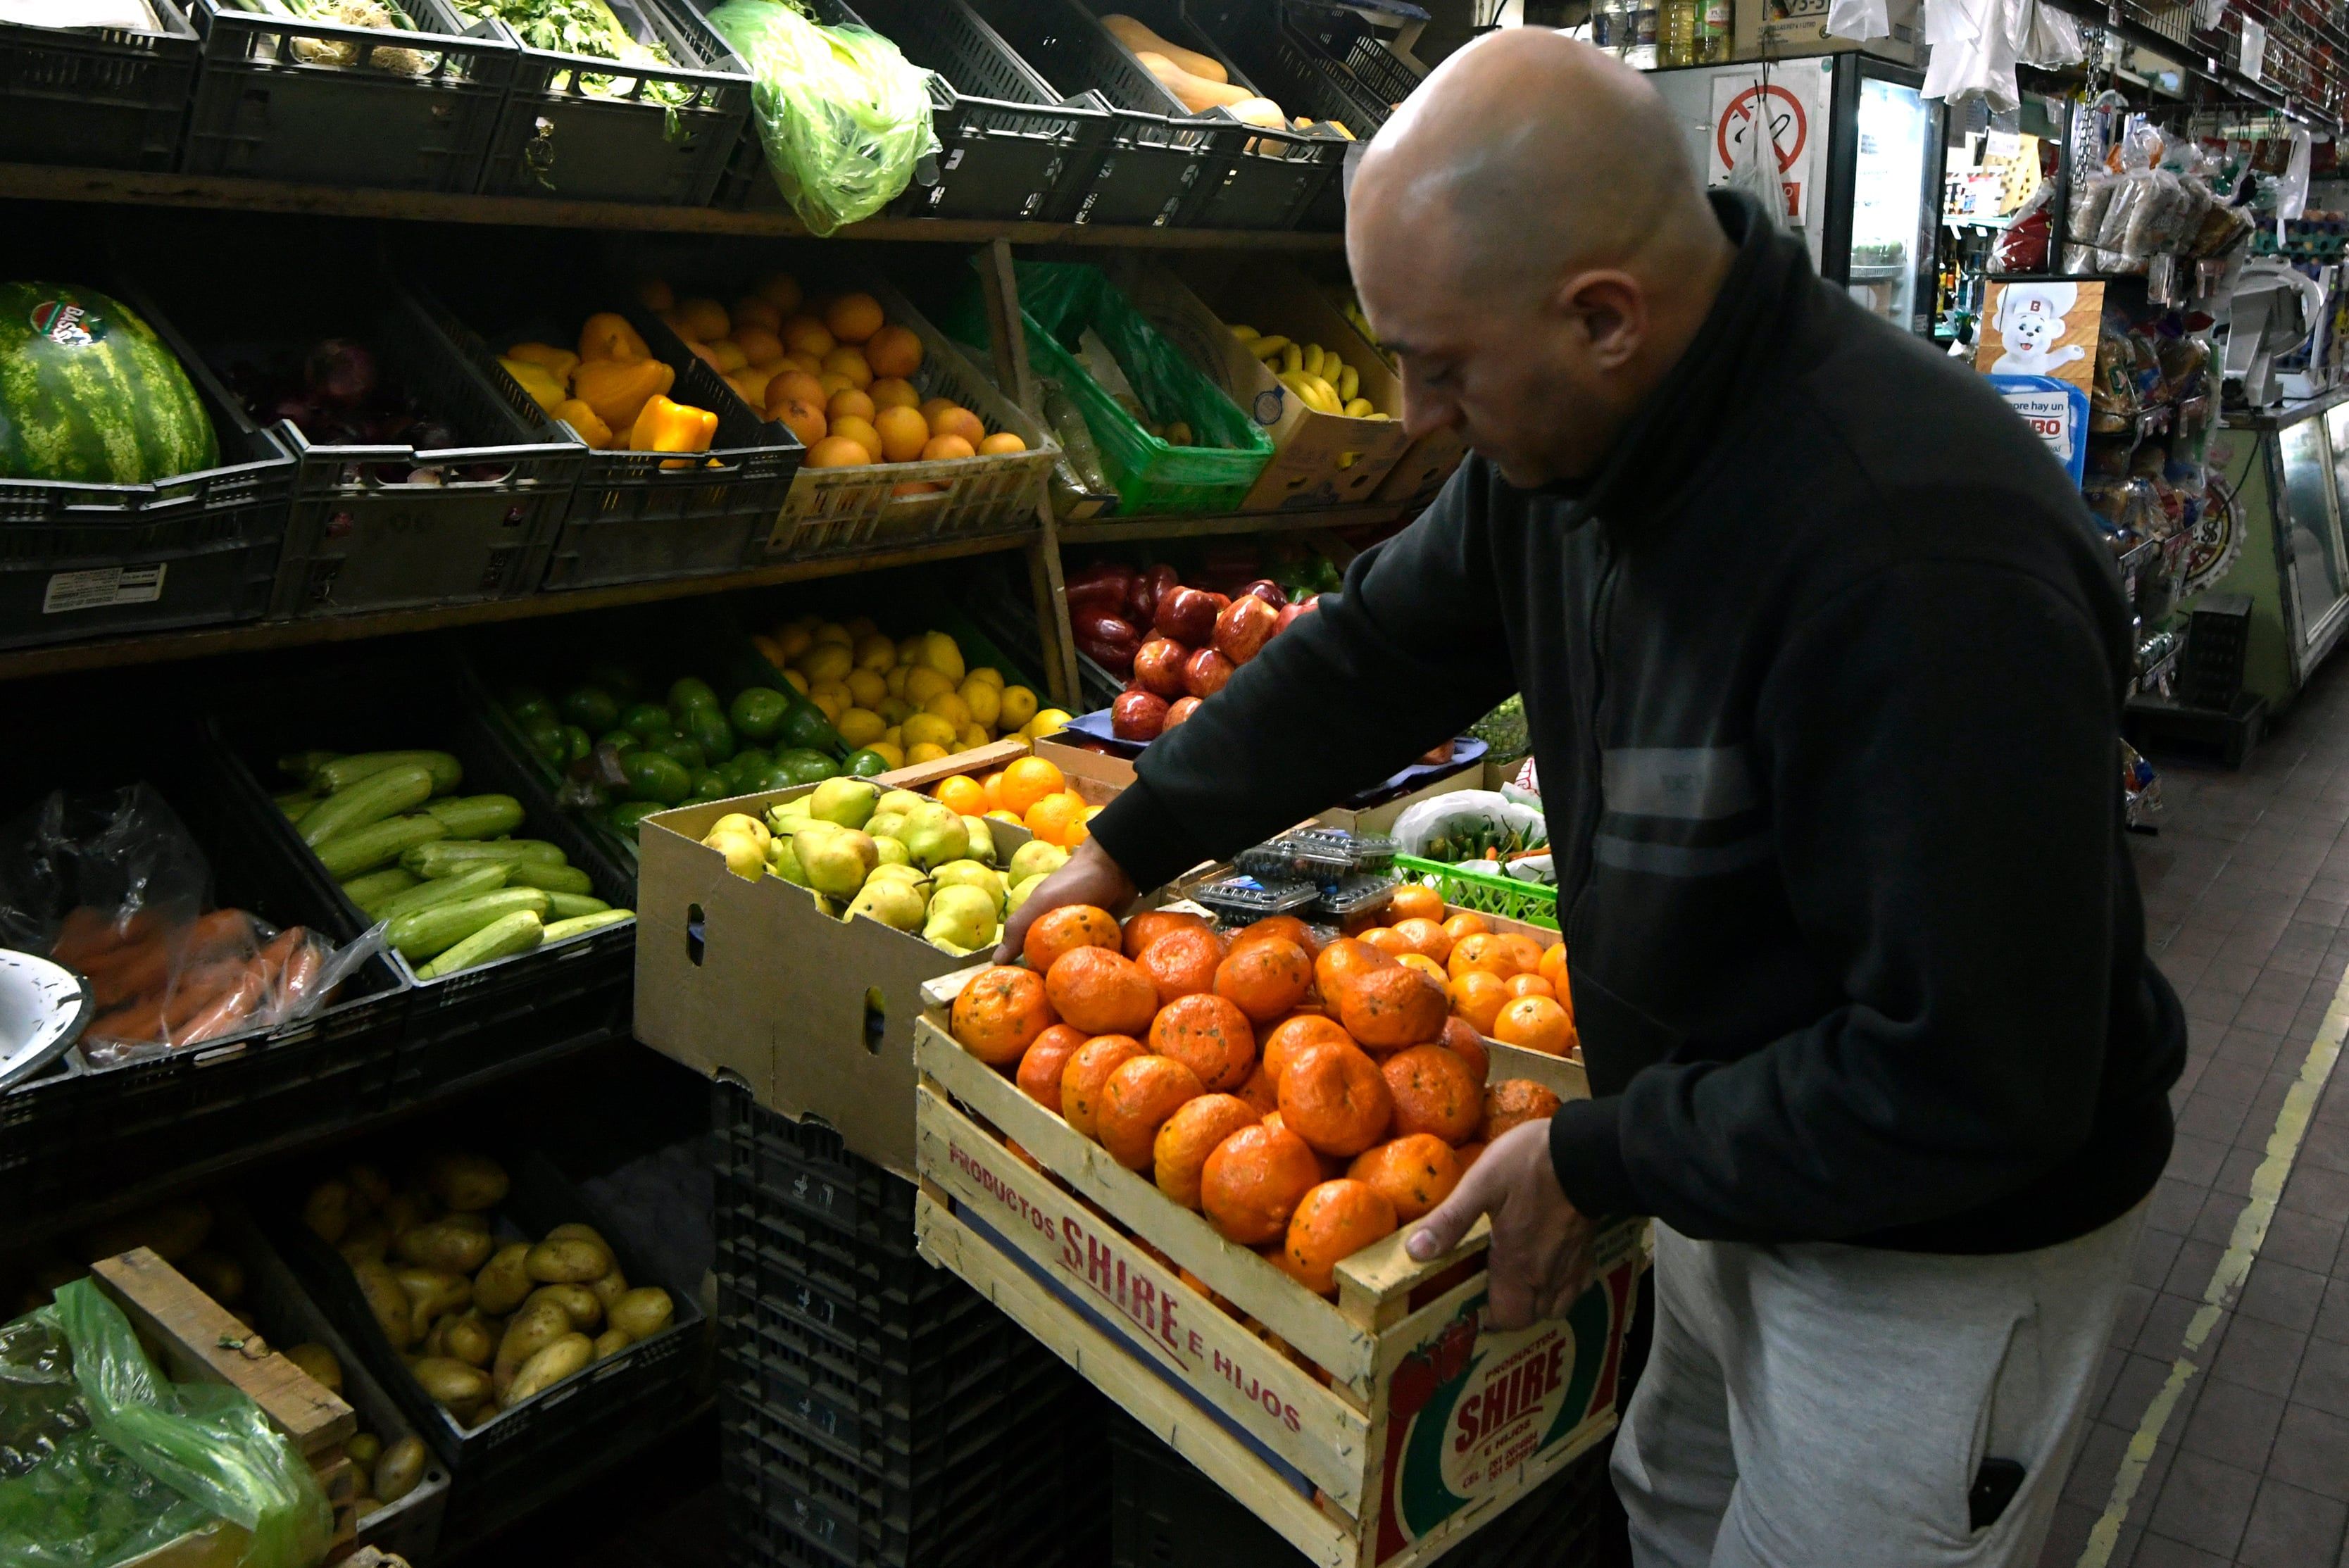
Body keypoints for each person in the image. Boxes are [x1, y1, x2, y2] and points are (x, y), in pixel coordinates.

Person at [998, 28, 2181, 1568]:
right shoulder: (1577, 443)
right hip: (1720, 1148)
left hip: (1932, 1243)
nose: (1415, 411)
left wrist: (1603, 1154)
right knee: (1675, 1514)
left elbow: (1979, 1075)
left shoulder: (1920, 564)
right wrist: (1130, 839)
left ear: (1605, 317)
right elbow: (1376, 653)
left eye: (1443, 365)